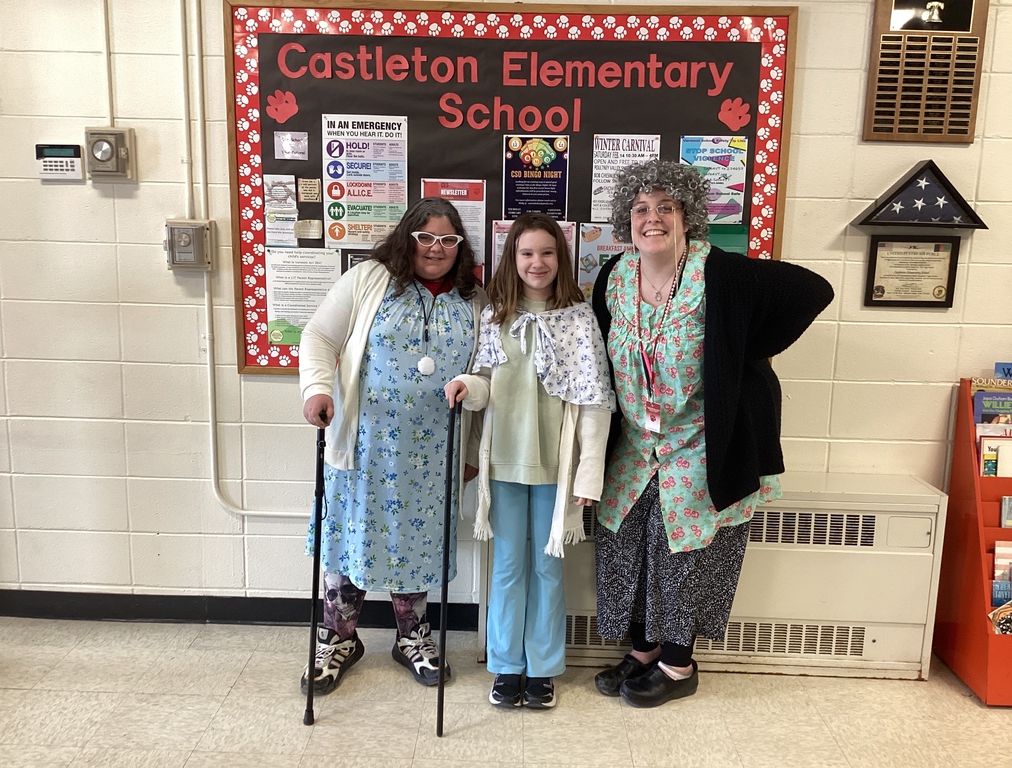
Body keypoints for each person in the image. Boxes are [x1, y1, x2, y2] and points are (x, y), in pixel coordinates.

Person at [590, 159, 834, 708]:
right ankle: (644, 649)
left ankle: (678, 665)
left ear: (687, 216)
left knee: (688, 553)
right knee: (629, 543)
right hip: (637, 441)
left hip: (702, 438)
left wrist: (746, 354)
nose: (652, 219)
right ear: (626, 219)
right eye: (641, 209)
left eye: (666, 208)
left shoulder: (718, 273)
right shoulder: (614, 276)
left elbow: (810, 290)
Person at [298, 197, 486, 696]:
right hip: (365, 443)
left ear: (460, 246)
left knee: (418, 540)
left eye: (448, 240)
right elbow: (319, 336)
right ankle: (339, 637)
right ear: (408, 238)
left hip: (436, 451)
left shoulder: (475, 299)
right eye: (426, 237)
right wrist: (316, 388)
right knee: (352, 537)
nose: (436, 249)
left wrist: (472, 451)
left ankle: (412, 637)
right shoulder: (369, 279)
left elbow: (489, 374)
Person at [445, 212, 615, 710]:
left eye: (546, 252)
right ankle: (505, 665)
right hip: (503, 466)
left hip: (555, 470)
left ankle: (542, 670)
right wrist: (464, 386)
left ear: (559, 259)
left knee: (548, 569)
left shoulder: (579, 320)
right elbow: (483, 382)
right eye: (526, 253)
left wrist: (589, 473)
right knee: (507, 569)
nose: (536, 262)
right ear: (512, 259)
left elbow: (593, 401)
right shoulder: (496, 316)